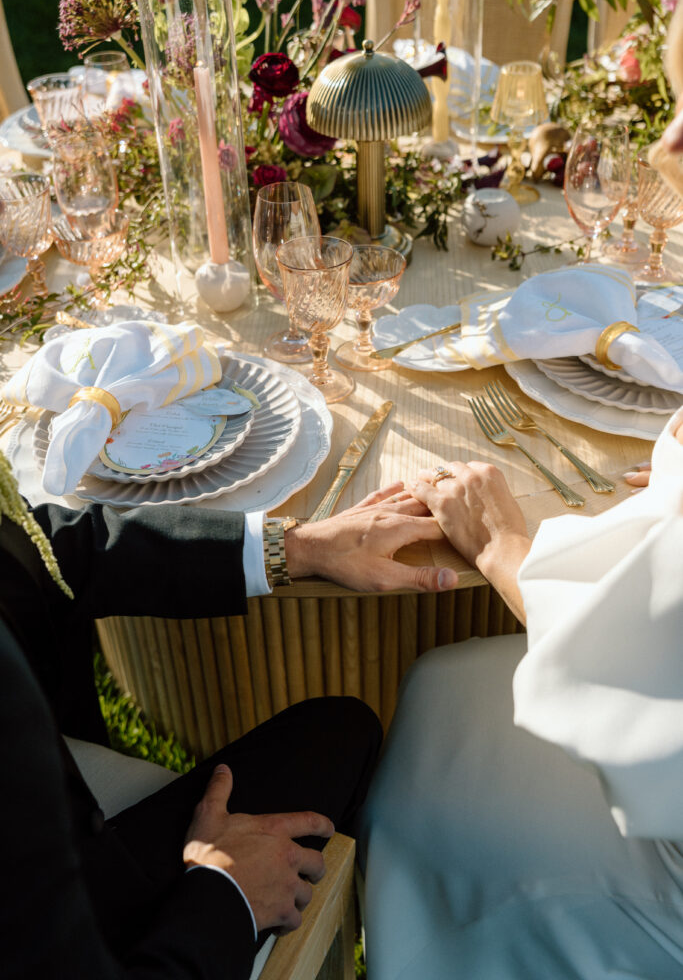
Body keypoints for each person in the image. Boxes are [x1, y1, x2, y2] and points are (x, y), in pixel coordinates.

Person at [0, 452, 458, 980]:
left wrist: (292, 547)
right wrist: (228, 895)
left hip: (66, 833)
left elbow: (40, 549)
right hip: (123, 943)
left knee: (341, 731)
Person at [358, 406, 683, 979]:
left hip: (661, 867)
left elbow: (629, 678)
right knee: (445, 678)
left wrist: (501, 544)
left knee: (439, 715)